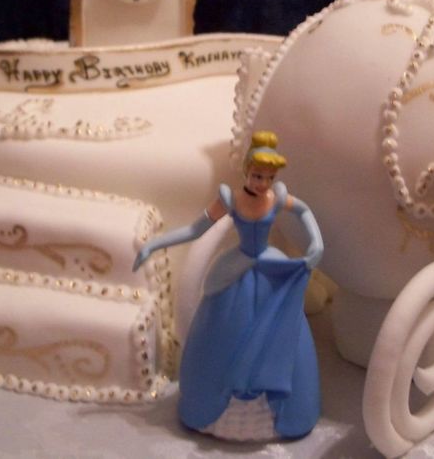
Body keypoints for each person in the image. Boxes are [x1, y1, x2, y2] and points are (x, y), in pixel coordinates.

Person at [133, 131, 323, 440]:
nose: (262, 183)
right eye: (258, 175)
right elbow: (195, 230)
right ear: (247, 170)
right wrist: (154, 244)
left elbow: (303, 211)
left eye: (269, 178)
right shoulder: (230, 200)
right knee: (222, 334)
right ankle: (216, 409)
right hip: (235, 273)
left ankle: (278, 410)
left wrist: (316, 243)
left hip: (271, 271)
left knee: (281, 332)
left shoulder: (275, 198)